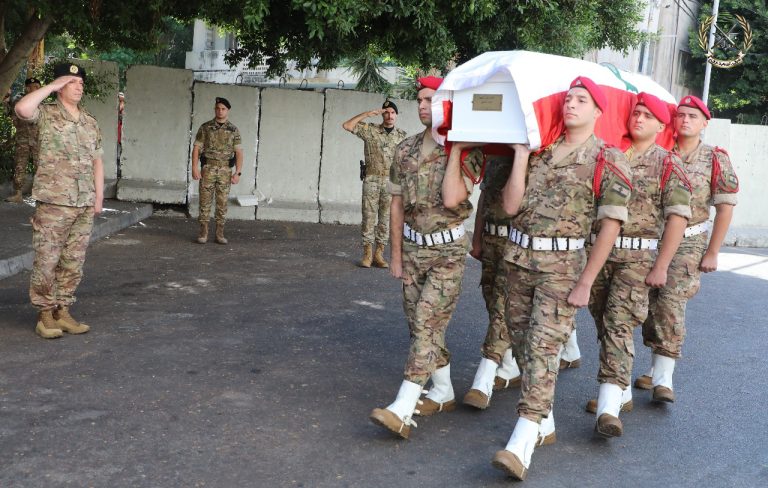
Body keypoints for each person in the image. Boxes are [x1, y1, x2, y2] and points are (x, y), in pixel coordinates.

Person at [491, 77, 632, 480]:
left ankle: (521, 442)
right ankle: (545, 421)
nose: (571, 104)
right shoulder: (541, 151)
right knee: (521, 345)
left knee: (542, 348)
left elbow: (611, 225)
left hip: (563, 268)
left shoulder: (607, 158)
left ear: (598, 111)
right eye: (568, 98)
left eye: (581, 100)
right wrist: (521, 156)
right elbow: (511, 206)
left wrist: (587, 280)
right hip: (519, 261)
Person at [369, 76, 483, 439]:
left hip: (448, 252)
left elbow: (453, 199)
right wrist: (396, 256)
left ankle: (403, 407)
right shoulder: (404, 149)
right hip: (413, 249)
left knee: (426, 320)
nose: (422, 105)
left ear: (447, 103)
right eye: (419, 100)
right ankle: (443, 390)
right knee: (420, 326)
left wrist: (455, 146)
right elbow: (396, 204)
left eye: (430, 99)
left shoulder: (468, 150)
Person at [584, 93, 692, 437]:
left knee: (618, 323)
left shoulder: (668, 163)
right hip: (600, 254)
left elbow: (678, 218)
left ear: (661, 126)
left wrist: (661, 265)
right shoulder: (610, 155)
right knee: (604, 323)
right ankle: (621, 390)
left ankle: (608, 407)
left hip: (638, 258)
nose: (639, 119)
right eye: (636, 113)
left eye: (647, 115)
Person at [634, 95, 739, 403]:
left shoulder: (714, 158)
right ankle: (655, 368)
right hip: (651, 238)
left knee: (670, 301)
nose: (685, 120)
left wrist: (713, 251)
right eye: (680, 115)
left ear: (704, 123)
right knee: (648, 304)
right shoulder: (659, 151)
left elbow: (725, 207)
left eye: (693, 116)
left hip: (689, 241)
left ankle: (663, 379)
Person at [14, 64, 103, 339]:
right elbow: (22, 109)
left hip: (84, 201)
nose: (79, 87)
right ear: (60, 85)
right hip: (54, 202)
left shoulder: (89, 121)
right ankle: (44, 314)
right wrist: (51, 86)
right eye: (72, 82)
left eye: (81, 83)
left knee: (73, 261)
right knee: (47, 259)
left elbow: (97, 161)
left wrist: (98, 197)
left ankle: (62, 310)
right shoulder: (46, 114)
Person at [463, 151, 522, 410]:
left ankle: (483, 379)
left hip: (515, 243)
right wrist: (477, 240)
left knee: (501, 306)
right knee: (491, 301)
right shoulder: (495, 154)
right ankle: (510, 365)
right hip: (491, 240)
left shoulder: (531, 158)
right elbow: (484, 198)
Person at [342, 100, 407, 268]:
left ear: (396, 115)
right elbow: (347, 125)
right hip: (372, 179)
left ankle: (379, 254)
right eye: (386, 112)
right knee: (368, 217)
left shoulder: (401, 136)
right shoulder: (370, 130)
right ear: (382, 114)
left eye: (392, 113)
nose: (389, 116)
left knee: (386, 219)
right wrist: (366, 114)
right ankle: (367, 254)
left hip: (391, 181)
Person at [191, 97, 243, 244]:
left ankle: (219, 233)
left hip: (225, 170)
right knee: (204, 201)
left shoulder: (233, 130)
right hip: (208, 169)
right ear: (215, 109)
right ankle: (203, 232)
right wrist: (194, 167)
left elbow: (239, 152)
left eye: (223, 109)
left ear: (228, 110)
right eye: (218, 108)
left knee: (222, 202)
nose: (220, 111)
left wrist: (238, 172)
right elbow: (197, 148)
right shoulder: (205, 127)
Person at [5, 77, 42, 203]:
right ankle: (18, 194)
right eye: (32, 87)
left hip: (37, 139)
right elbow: (14, 118)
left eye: (37, 87)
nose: (35, 89)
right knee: (20, 165)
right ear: (27, 88)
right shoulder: (19, 101)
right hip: (23, 139)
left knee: (40, 167)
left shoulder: (42, 103)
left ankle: (40, 196)